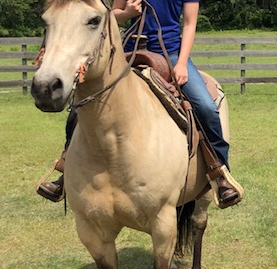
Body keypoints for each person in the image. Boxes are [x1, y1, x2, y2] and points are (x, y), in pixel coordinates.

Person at [37, 0, 242, 208]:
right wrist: (126, 13)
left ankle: (219, 172)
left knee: (205, 106)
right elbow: (107, 17)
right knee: (81, 105)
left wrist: (181, 63)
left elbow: (189, 24)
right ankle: (66, 170)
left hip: (169, 53)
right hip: (125, 52)